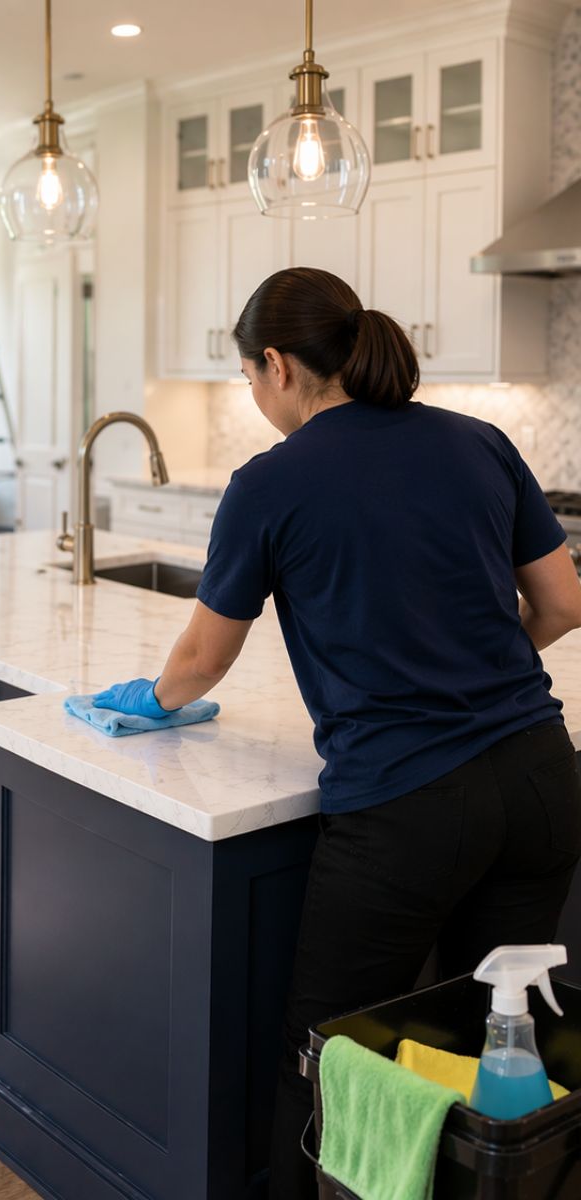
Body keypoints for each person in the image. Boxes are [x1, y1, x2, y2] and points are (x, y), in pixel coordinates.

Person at [92, 268, 581, 1198]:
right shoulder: (479, 442)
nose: (253, 392)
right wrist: (472, 669)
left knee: (331, 1053)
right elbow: (563, 603)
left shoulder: (270, 482)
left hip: (408, 807)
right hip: (541, 780)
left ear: (276, 365)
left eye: (248, 374)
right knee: (494, 1044)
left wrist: (147, 701)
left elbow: (201, 660)